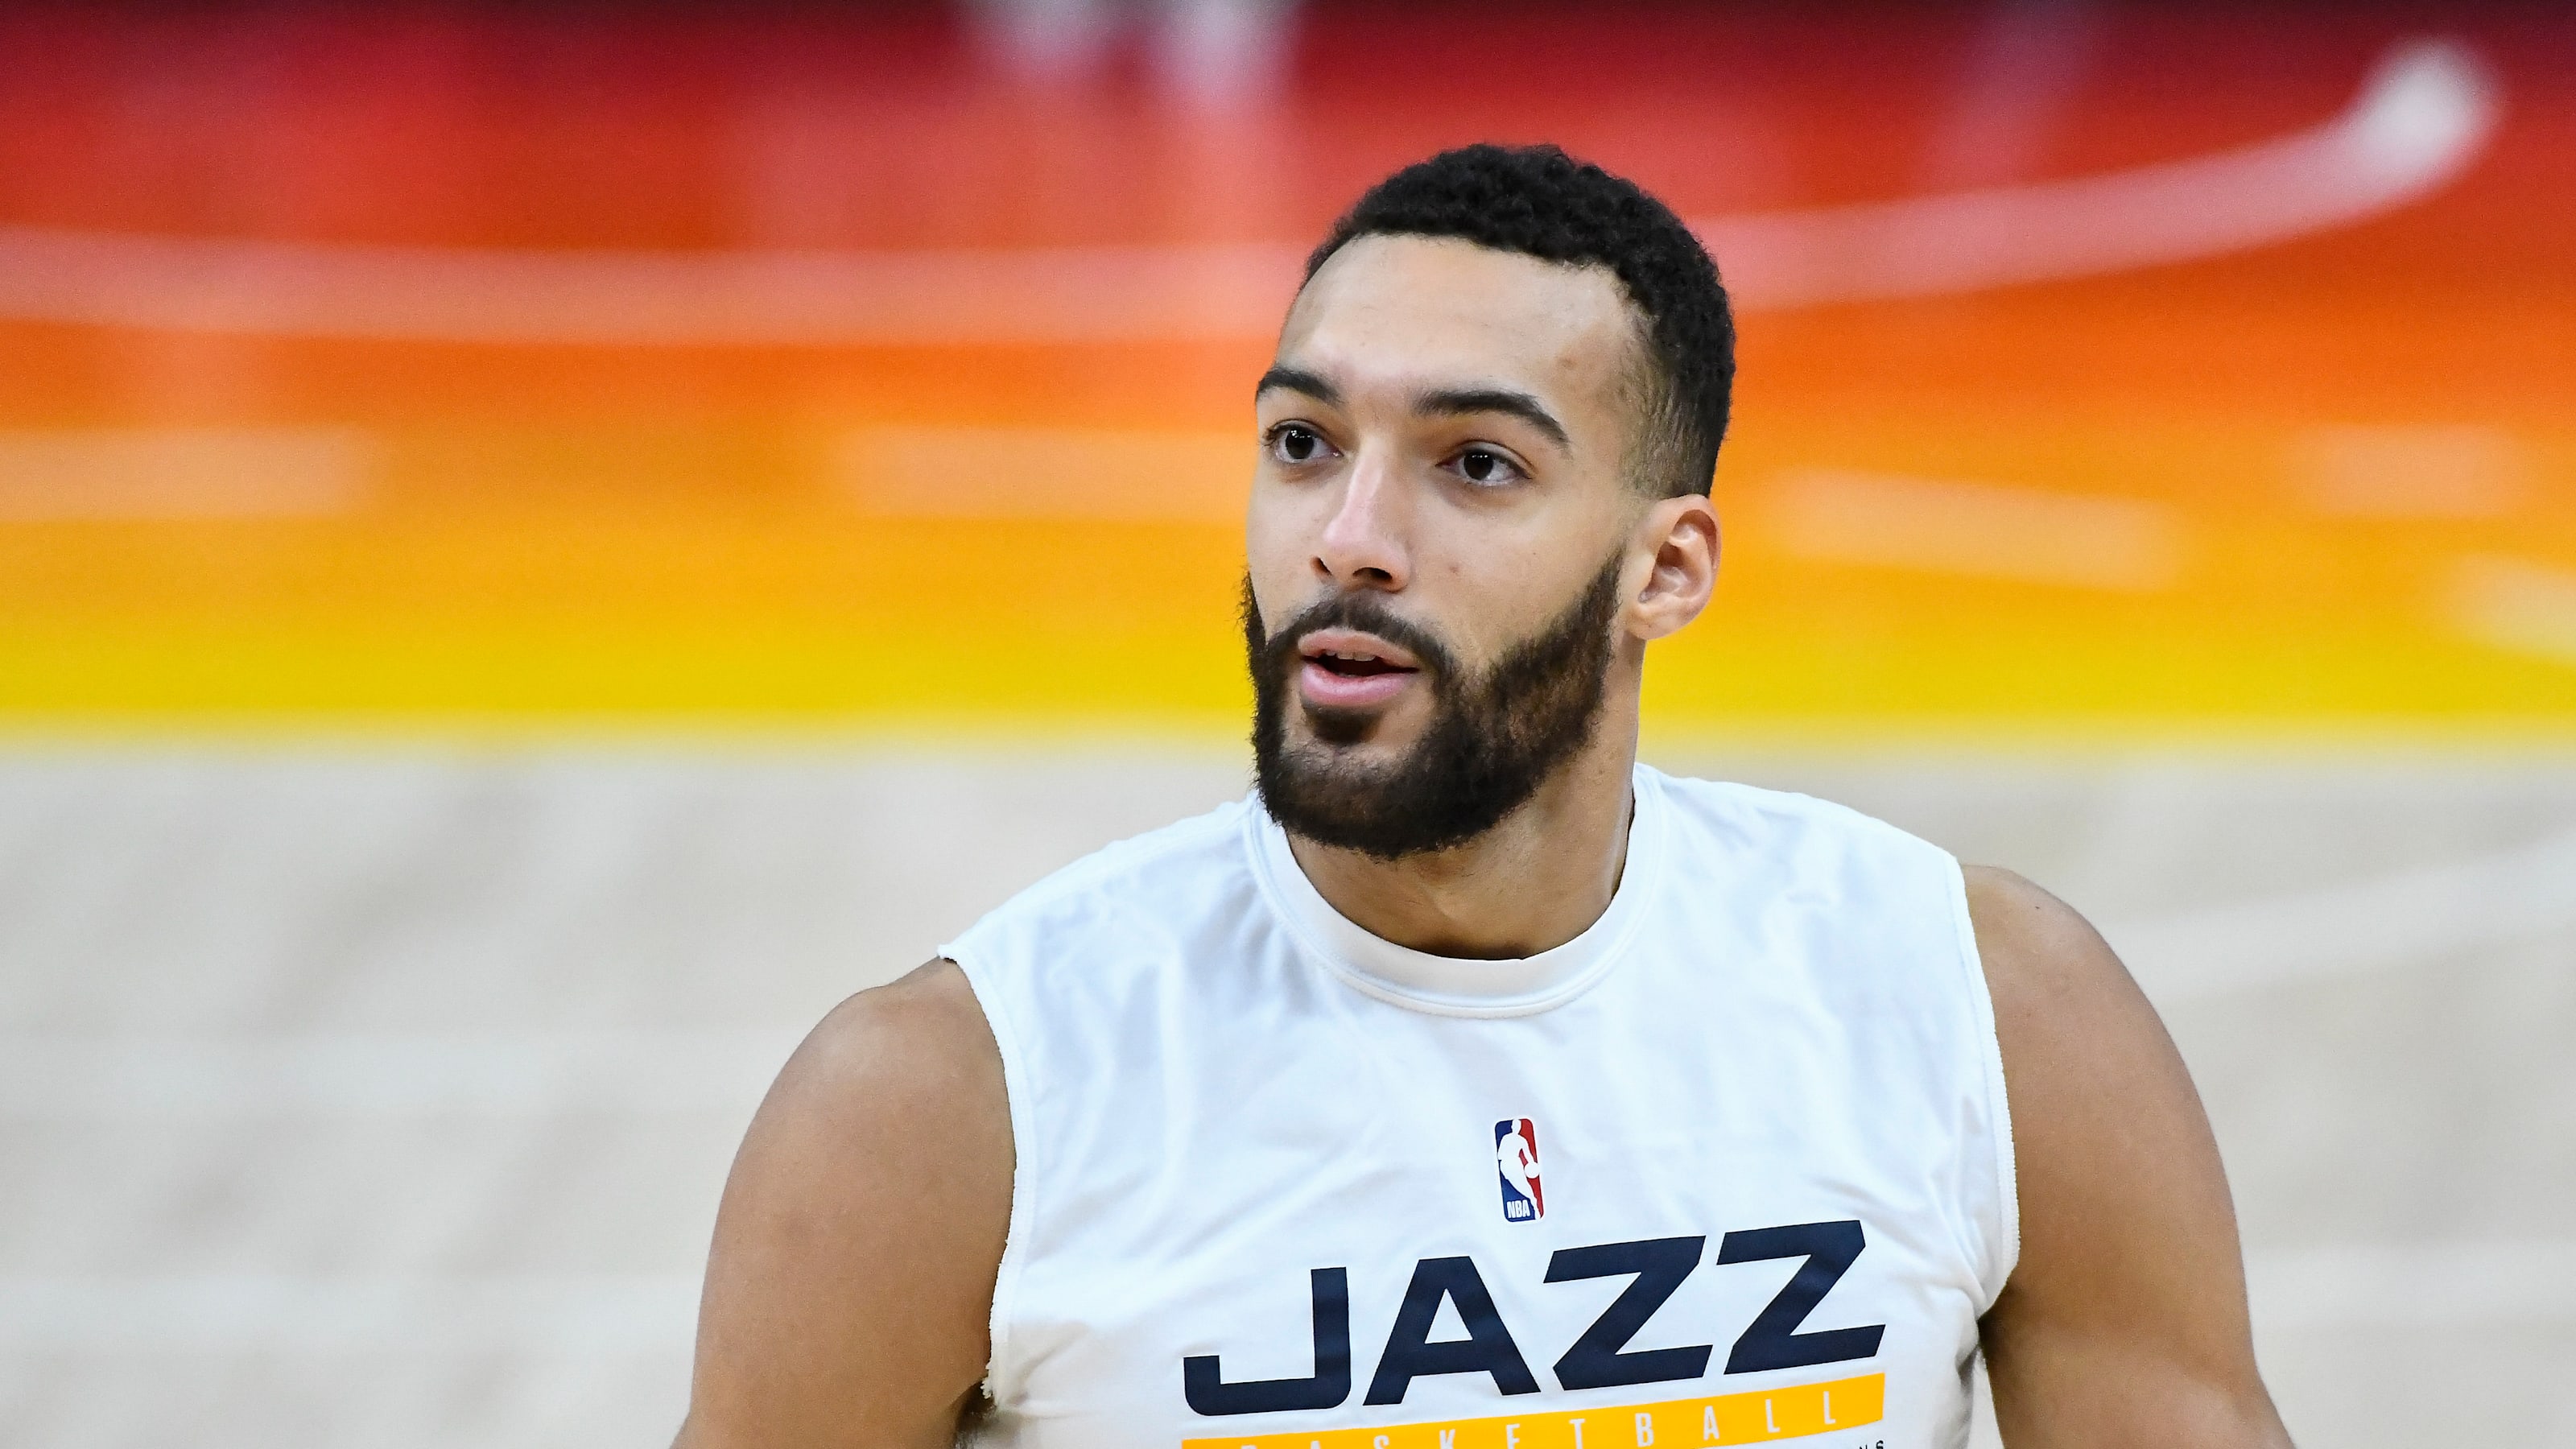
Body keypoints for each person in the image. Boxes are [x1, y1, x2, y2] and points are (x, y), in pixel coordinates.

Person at [673, 144, 2291, 1449]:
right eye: (1303, 443)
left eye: (1476, 465)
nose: (1350, 538)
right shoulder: (956, 1102)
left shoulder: (1979, 1012)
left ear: (1666, 569)